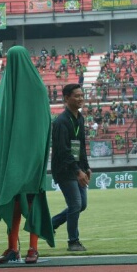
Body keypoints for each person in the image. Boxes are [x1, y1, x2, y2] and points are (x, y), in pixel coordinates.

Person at [0, 46, 54, 264]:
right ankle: (13, 247)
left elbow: (42, 126)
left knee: (30, 202)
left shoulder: (36, 88)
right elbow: (1, 127)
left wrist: (36, 156)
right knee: (12, 202)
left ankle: (33, 248)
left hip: (30, 157)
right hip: (12, 157)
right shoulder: (6, 88)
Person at [51, 84, 92, 252]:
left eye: (82, 95)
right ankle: (73, 241)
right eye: (76, 96)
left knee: (81, 205)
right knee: (75, 204)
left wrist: (86, 167)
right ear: (66, 98)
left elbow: (80, 145)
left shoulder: (79, 118)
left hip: (77, 167)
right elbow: (63, 150)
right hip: (64, 170)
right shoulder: (61, 122)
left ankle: (50, 224)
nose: (81, 98)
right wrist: (78, 171)